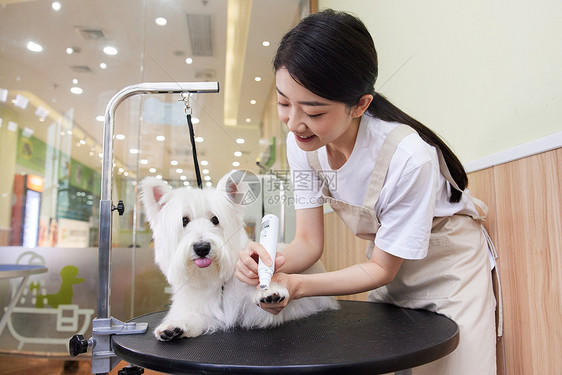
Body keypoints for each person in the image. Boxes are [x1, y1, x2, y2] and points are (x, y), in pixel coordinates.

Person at [235, 9, 498, 374]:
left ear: (360, 104)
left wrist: (297, 286)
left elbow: (381, 269)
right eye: (283, 103)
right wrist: (267, 263)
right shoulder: (302, 143)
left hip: (448, 269)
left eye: (313, 110)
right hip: (384, 266)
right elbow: (309, 244)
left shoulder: (408, 158)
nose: (295, 122)